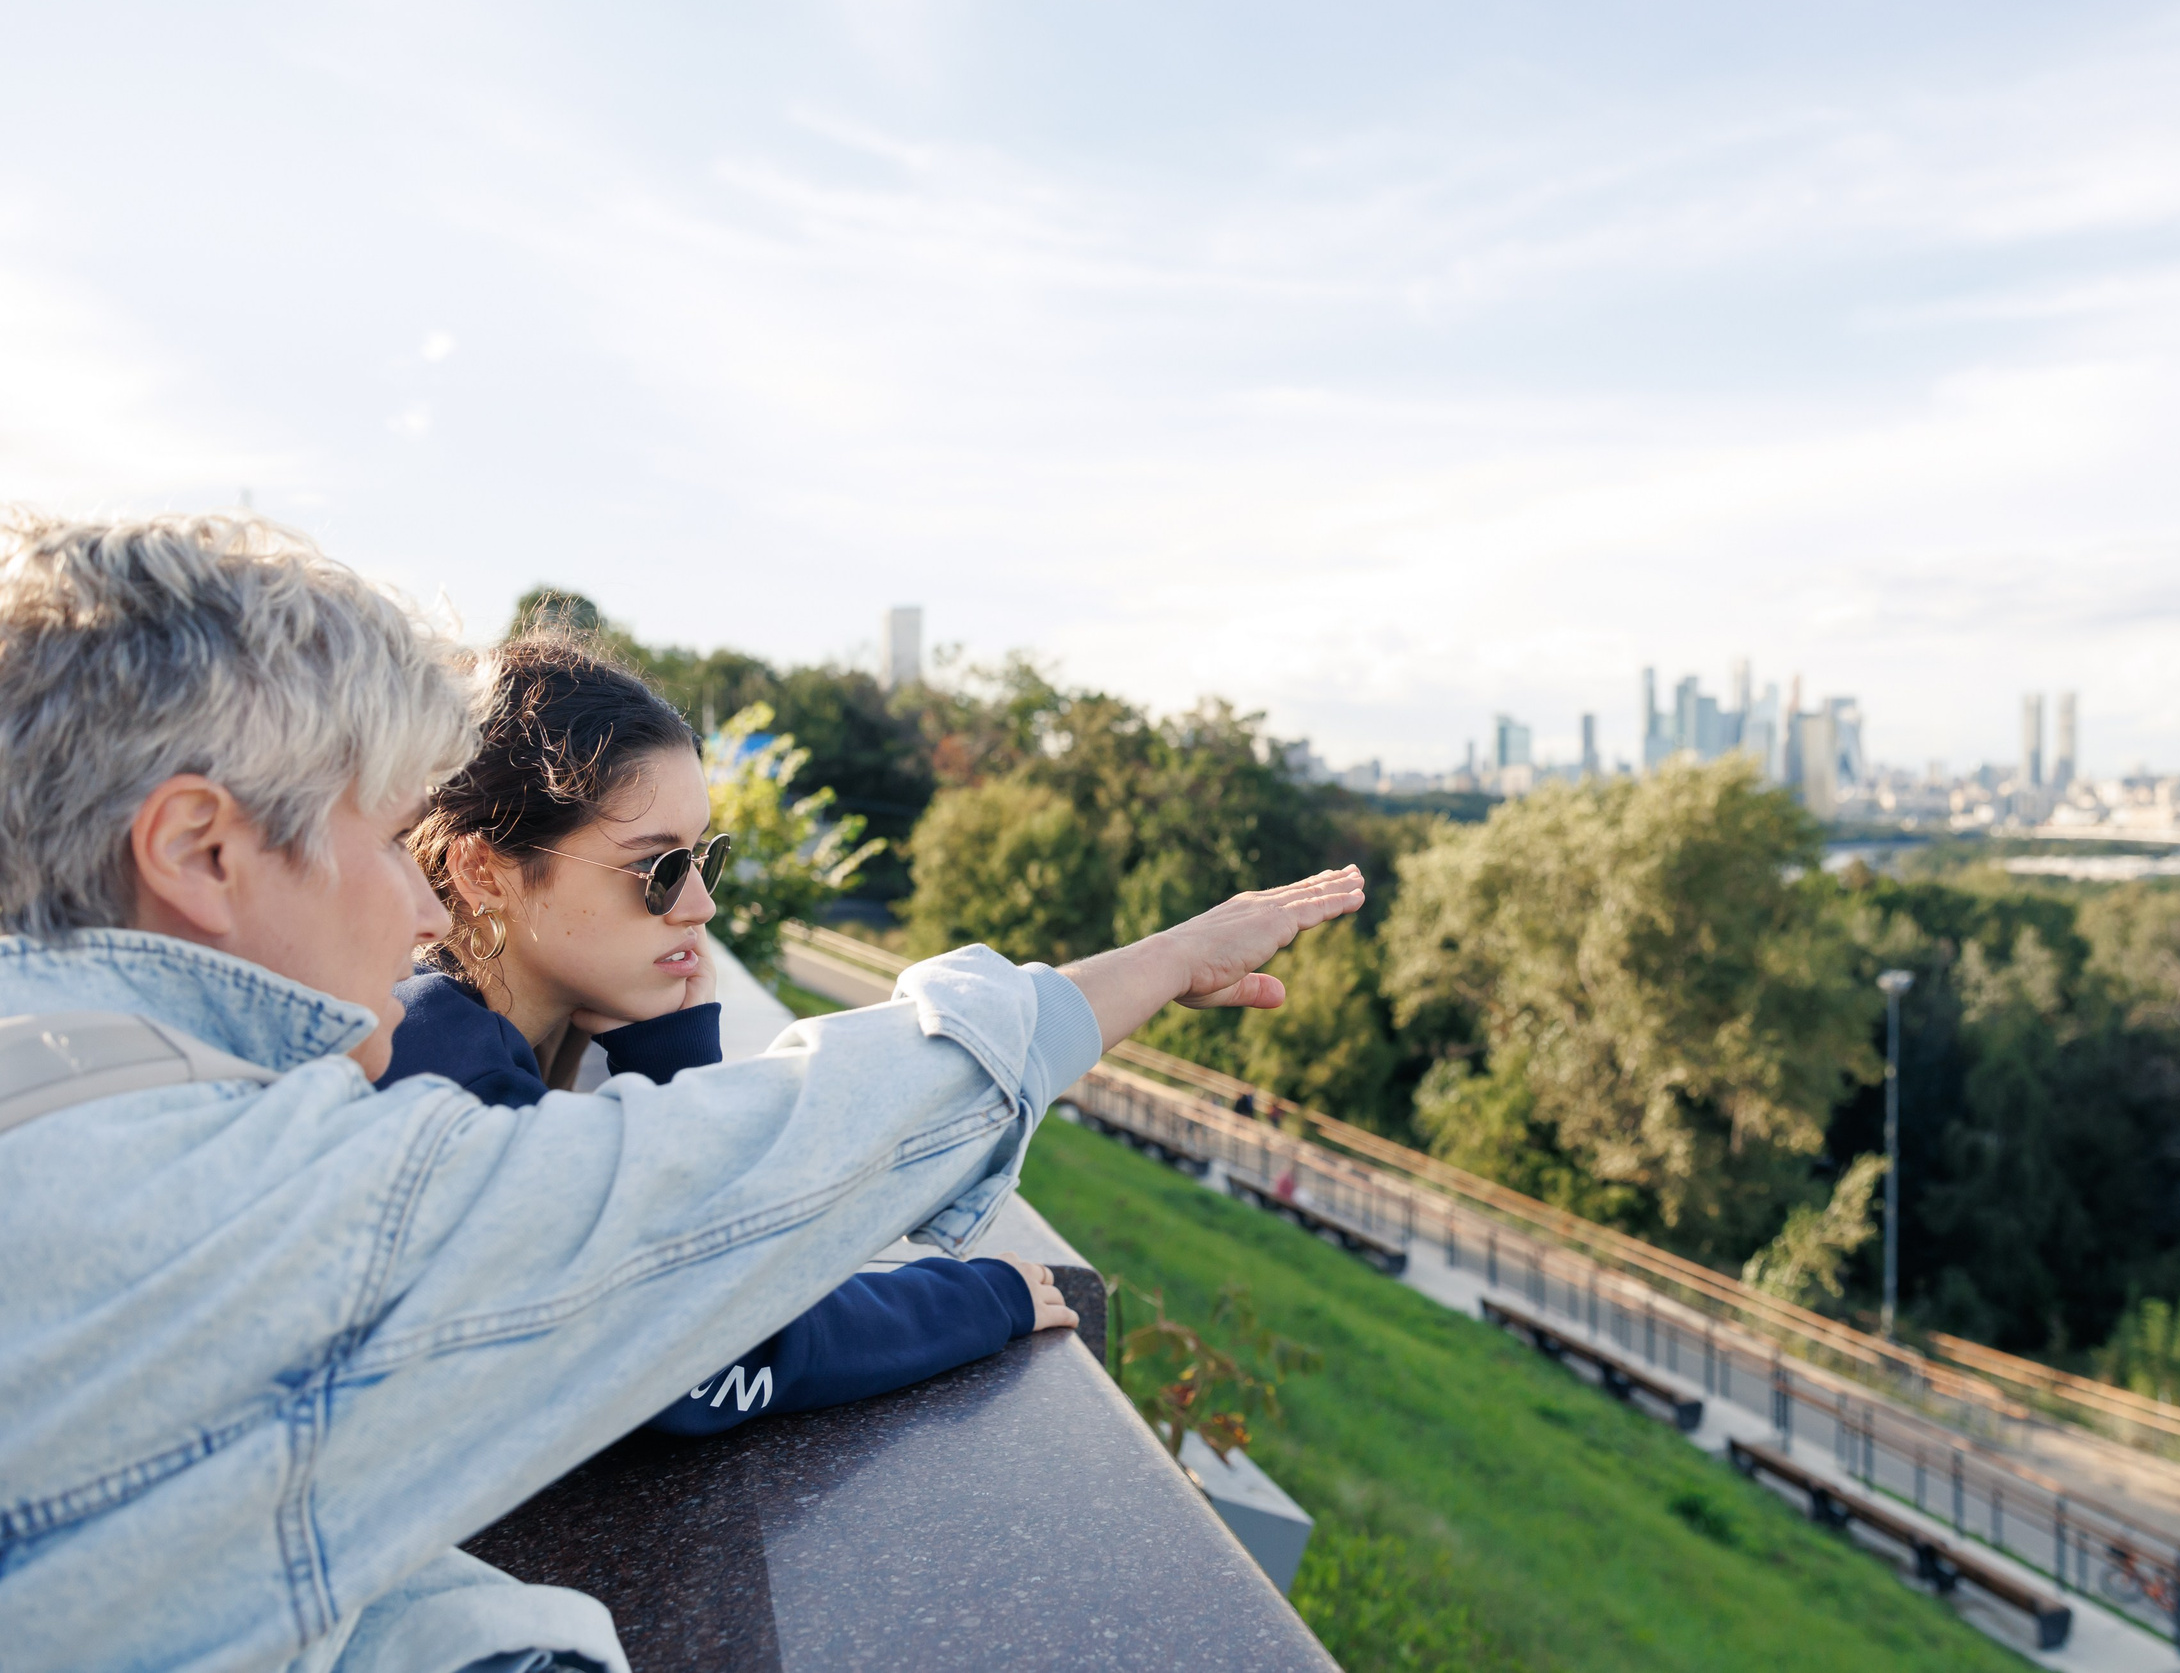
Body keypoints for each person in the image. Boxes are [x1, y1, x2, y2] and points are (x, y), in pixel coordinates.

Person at [0, 512, 1364, 1673]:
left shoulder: (95, 1114)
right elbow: (713, 1209)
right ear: (200, 845)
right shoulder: (234, 1198)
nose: (412, 890)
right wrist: (1143, 972)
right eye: (372, 827)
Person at [378, 633, 1078, 1431]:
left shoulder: (473, 1031)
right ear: (483, 871)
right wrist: (979, 1300)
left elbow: (686, 1268)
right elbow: (699, 1350)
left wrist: (673, 1060)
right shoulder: (434, 1065)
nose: (700, 905)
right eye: (657, 870)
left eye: (703, 859)